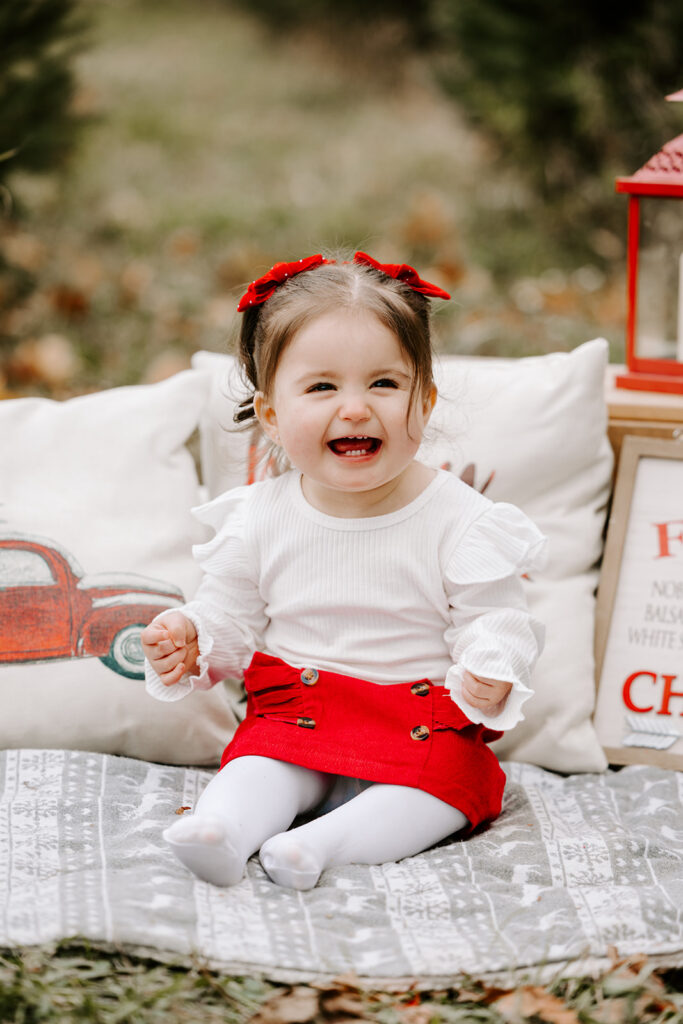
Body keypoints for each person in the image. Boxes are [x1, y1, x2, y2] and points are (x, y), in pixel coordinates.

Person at [142, 251, 546, 891]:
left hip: (420, 724)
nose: (356, 408)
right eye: (322, 386)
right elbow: (231, 619)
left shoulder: (460, 520)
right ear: (271, 413)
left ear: (426, 400)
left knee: (450, 787)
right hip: (299, 714)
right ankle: (223, 829)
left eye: (384, 384)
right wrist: (194, 635)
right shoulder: (259, 517)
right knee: (259, 766)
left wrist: (491, 664)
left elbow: (497, 615)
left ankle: (319, 845)